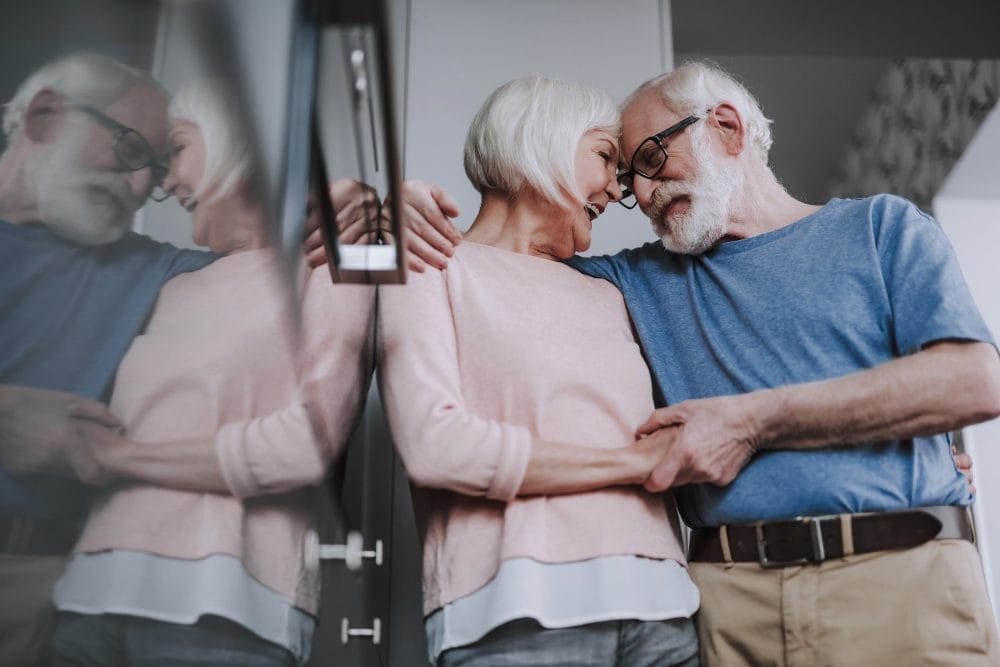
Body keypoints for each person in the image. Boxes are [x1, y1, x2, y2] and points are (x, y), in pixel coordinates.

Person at [405, 61, 1000, 665]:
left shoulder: (881, 228)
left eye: (652, 159)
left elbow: (974, 381)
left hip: (902, 577)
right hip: (730, 606)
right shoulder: (625, 282)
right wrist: (381, 211)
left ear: (726, 126)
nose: (637, 191)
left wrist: (752, 421)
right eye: (628, 175)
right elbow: (498, 257)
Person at [43, 79, 375, 665]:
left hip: (227, 606)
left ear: (239, 141)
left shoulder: (330, 271)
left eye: (179, 150)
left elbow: (304, 443)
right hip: (89, 598)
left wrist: (119, 459)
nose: (164, 183)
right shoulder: (172, 284)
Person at [378, 77, 700, 667]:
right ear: (537, 140)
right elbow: (435, 446)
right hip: (516, 612)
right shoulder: (431, 267)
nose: (617, 189)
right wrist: (631, 465)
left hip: (665, 613)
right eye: (605, 157)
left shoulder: (609, 291)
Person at [0, 52, 214, 665]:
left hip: (39, 584)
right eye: (128, 150)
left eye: (153, 166)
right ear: (44, 115)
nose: (143, 186)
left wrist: (346, 206)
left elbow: (279, 261)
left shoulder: (154, 270)